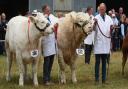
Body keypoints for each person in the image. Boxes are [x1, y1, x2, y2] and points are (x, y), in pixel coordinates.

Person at [94, 3, 113, 84]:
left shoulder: (109, 18)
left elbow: (112, 29)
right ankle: (97, 79)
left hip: (106, 43)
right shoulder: (96, 18)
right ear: (99, 9)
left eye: (103, 9)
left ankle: (104, 79)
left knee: (104, 63)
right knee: (97, 63)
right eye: (100, 9)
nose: (101, 10)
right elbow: (92, 29)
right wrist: (94, 24)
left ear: (105, 9)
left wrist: (112, 28)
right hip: (98, 43)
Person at [41, 4, 58, 86]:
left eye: (49, 10)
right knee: (47, 62)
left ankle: (48, 78)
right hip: (46, 42)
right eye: (48, 10)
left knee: (51, 62)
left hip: (52, 42)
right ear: (44, 10)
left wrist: (55, 26)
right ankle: (45, 80)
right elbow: (44, 30)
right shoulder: (42, 19)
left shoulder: (50, 18)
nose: (49, 11)